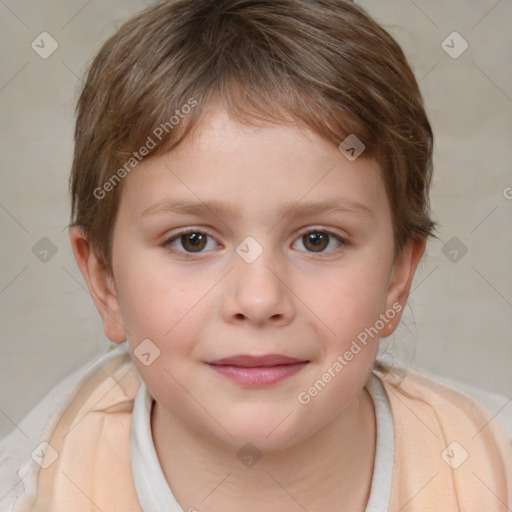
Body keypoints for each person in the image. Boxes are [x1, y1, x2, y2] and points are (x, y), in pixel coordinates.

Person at [1, 0, 511, 510]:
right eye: (192, 240)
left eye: (317, 239)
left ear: (397, 276)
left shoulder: (492, 474)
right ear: (105, 280)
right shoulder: (32, 490)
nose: (259, 298)